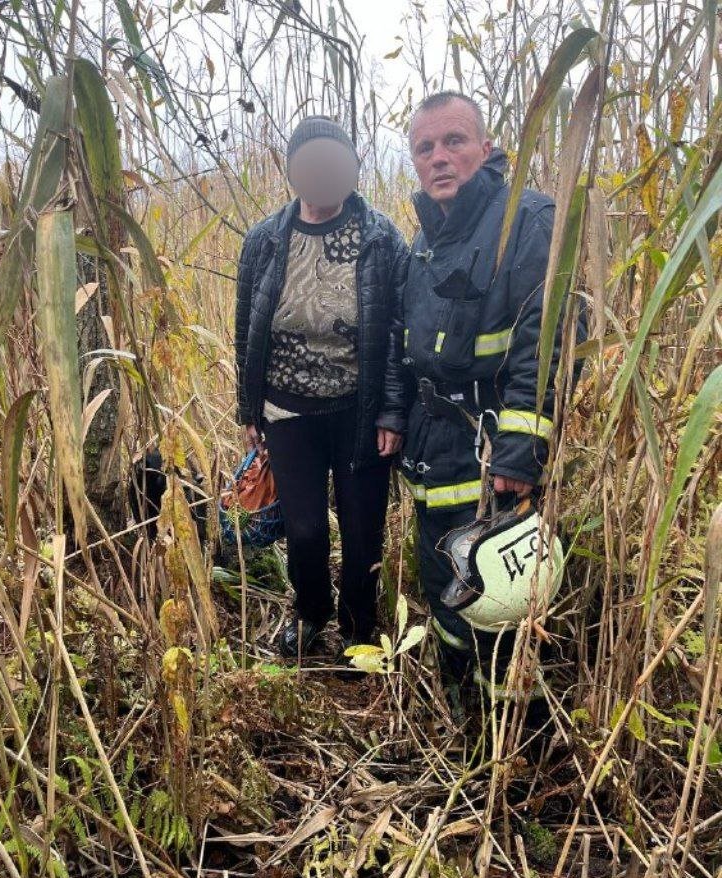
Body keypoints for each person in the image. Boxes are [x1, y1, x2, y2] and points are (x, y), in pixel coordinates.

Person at [399, 92, 584, 715]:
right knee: (443, 583)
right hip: (432, 448)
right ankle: (463, 709)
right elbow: (408, 349)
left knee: (498, 597)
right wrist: (393, 422)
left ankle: (512, 737)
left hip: (490, 452)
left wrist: (520, 448)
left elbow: (548, 340)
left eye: (454, 141)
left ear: (486, 146)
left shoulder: (527, 220)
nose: (440, 158)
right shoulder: (423, 242)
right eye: (425, 148)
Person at [235, 116, 409, 659]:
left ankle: (360, 631)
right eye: (311, 163)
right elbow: (247, 326)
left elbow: (400, 331)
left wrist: (392, 411)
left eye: (335, 163)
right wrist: (248, 408)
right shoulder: (265, 239)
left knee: (363, 533)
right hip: (287, 413)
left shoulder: (382, 238)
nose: (324, 174)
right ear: (292, 171)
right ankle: (310, 615)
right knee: (306, 531)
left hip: (360, 412)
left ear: (354, 168)